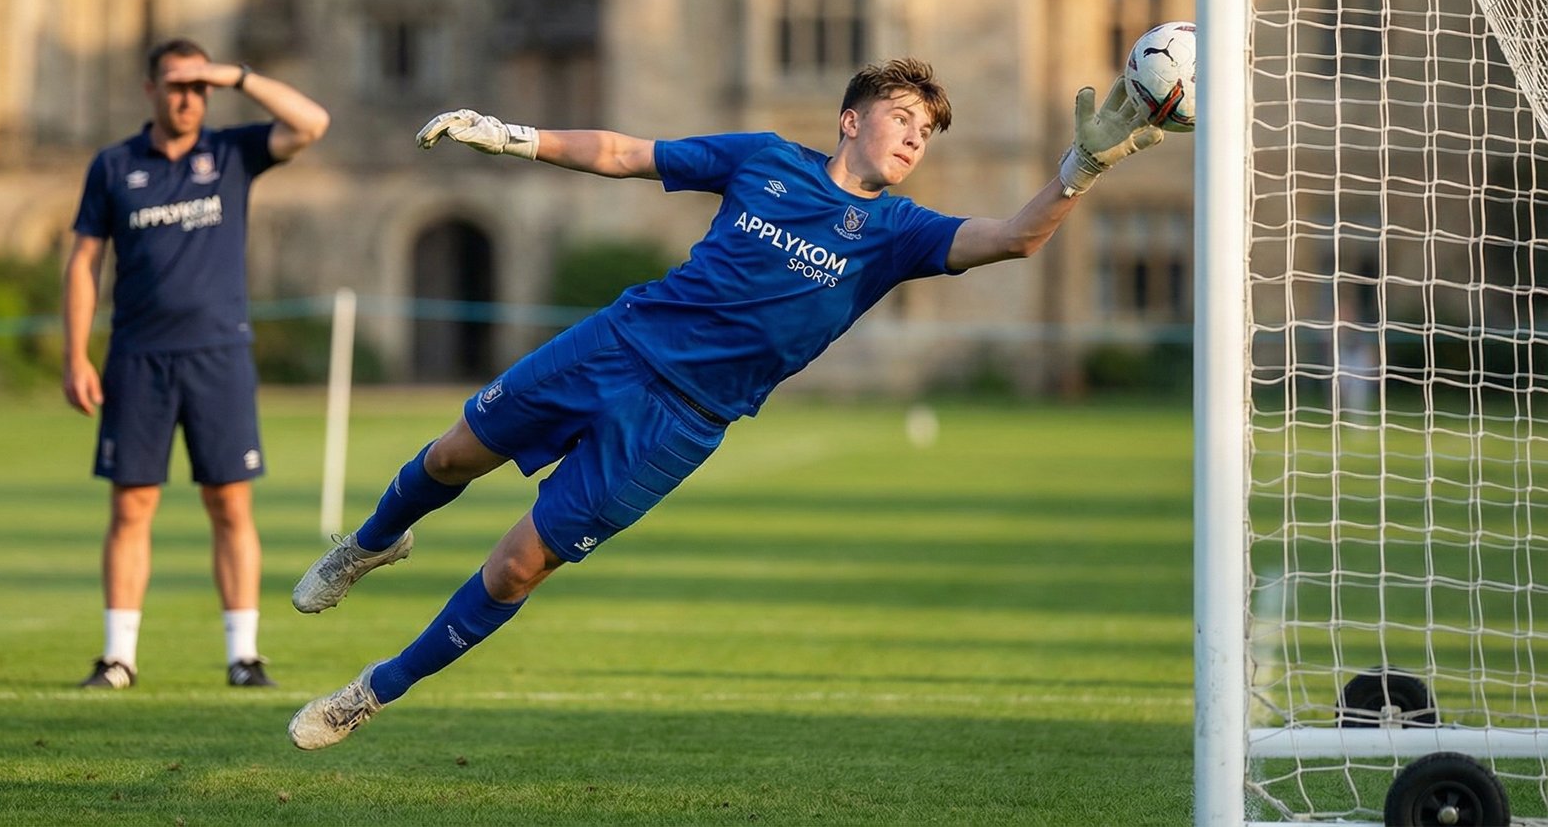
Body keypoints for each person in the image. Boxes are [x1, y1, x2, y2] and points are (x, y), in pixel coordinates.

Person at [286, 57, 1168, 748]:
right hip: (616, 344)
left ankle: (374, 690)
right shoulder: (762, 159)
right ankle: (368, 545)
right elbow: (627, 153)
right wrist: (513, 136)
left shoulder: (900, 234)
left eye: (927, 131)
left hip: (680, 423)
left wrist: (1081, 168)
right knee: (449, 457)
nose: (914, 139)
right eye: (902, 118)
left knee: (518, 566)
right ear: (850, 120)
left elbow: (1014, 238)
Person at [64, 38, 329, 690]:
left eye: (199, 87)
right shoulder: (114, 165)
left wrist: (238, 74)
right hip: (138, 358)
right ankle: (118, 656)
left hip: (219, 355)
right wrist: (75, 354)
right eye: (177, 85)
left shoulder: (231, 152)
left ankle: (244, 655)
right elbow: (82, 262)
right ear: (150, 89)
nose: (189, 98)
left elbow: (312, 123)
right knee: (132, 506)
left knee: (230, 504)